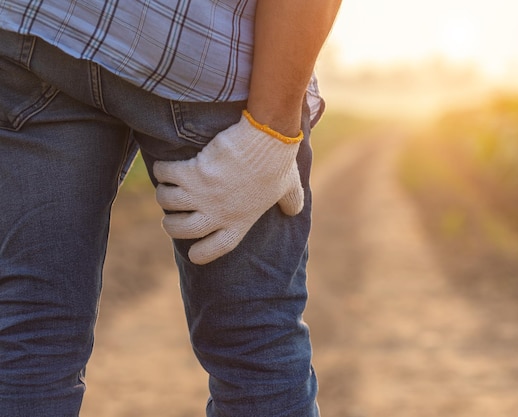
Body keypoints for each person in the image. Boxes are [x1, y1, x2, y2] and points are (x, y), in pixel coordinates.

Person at [0, 0, 341, 416]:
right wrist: (272, 129)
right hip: (204, 52)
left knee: (29, 331)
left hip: (38, 28)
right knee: (254, 345)